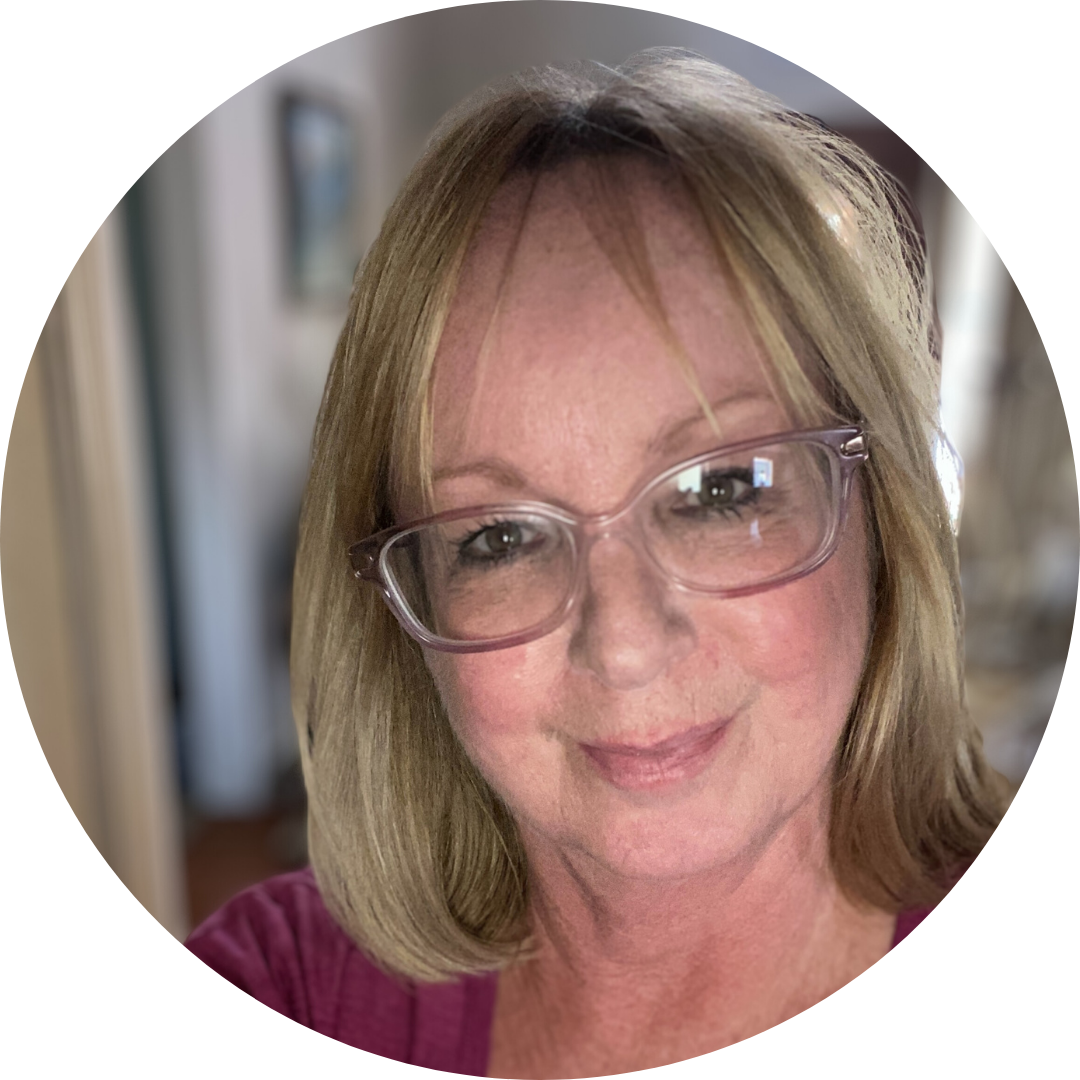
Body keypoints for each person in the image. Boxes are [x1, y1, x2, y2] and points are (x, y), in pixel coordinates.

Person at [187, 50, 1007, 1076]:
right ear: (404, 608)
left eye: (722, 490)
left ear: (876, 506)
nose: (623, 644)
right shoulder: (287, 993)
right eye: (499, 537)